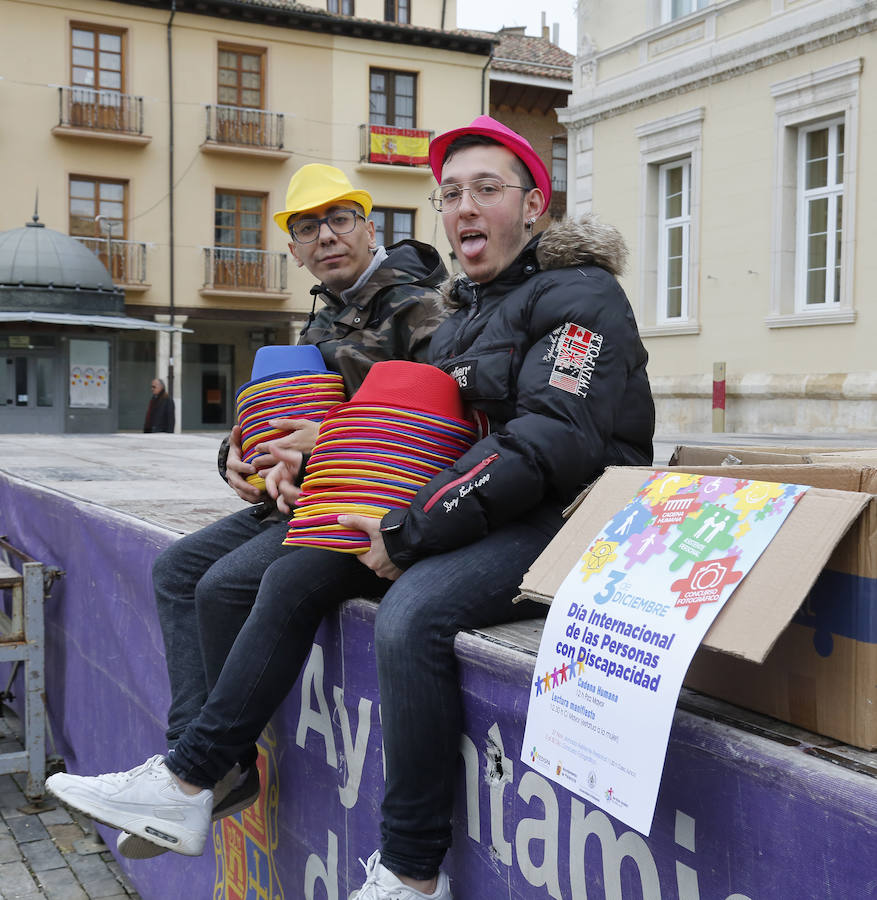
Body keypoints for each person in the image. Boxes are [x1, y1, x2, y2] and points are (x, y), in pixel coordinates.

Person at [46, 117, 654, 899]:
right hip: (471, 500)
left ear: (534, 205)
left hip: (564, 514)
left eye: (487, 190)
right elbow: (398, 424)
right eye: (451, 193)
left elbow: (554, 439)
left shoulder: (580, 295)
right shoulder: (465, 310)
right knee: (292, 573)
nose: (465, 207)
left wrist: (412, 527)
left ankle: (410, 872)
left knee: (411, 617)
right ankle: (192, 779)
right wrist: (314, 451)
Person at [50, 162, 448, 860]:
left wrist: (324, 441)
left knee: (226, 583)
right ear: (292, 249)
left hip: (367, 503)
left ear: (369, 226)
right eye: (306, 227)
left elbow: (428, 419)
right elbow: (282, 412)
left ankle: (199, 774)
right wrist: (237, 455)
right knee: (177, 568)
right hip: (300, 494)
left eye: (339, 219)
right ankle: (200, 770)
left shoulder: (418, 304)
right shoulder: (328, 310)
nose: (325, 236)